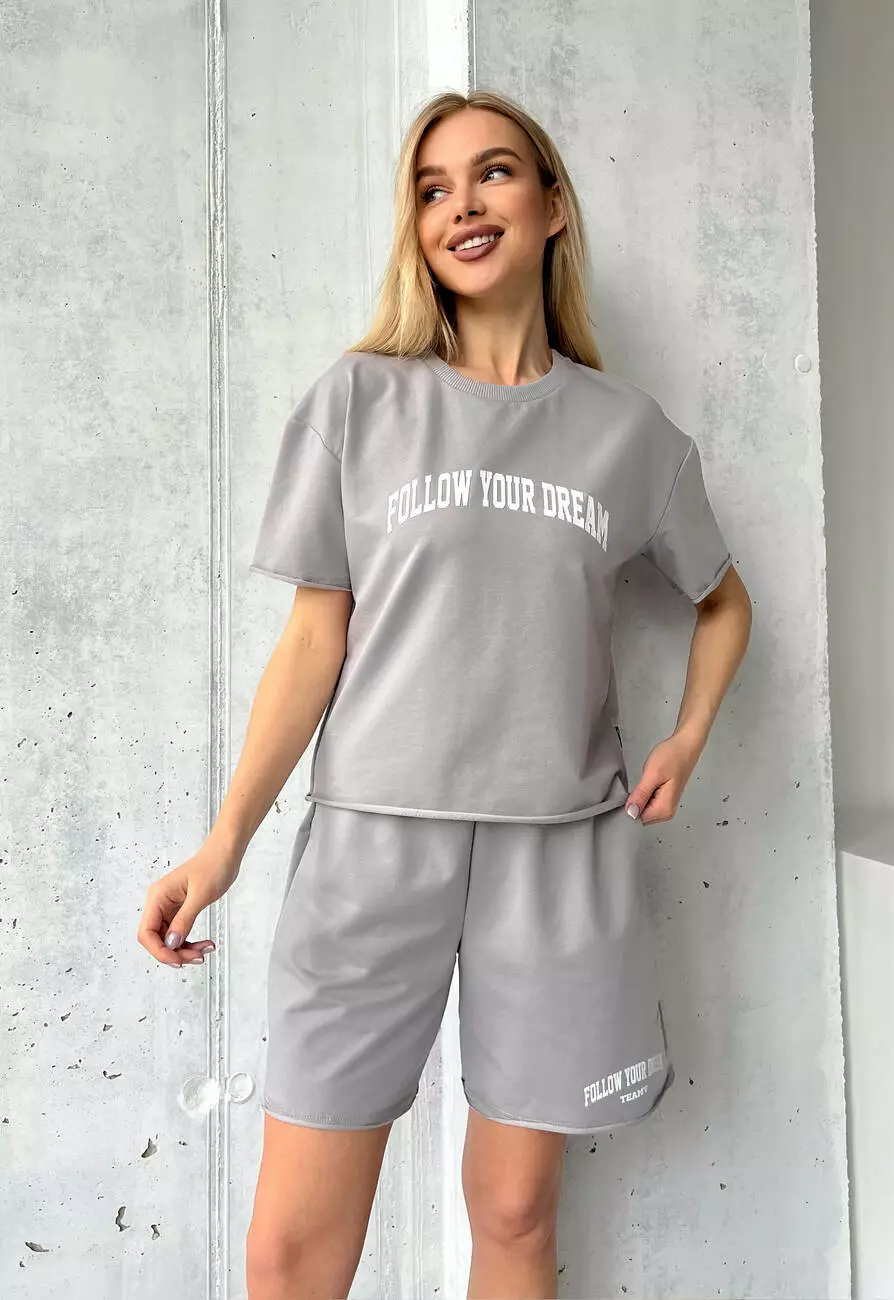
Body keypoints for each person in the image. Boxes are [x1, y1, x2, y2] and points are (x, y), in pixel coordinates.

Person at [138, 88, 752, 1300]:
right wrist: (225, 842)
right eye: (433, 187)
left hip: (559, 850)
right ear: (416, 227)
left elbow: (724, 602)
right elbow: (313, 641)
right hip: (373, 843)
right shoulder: (360, 401)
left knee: (516, 1215)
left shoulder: (630, 435)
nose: (462, 203)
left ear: (553, 205)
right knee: (289, 1251)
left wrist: (688, 736)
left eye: (494, 172)